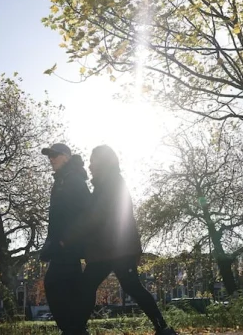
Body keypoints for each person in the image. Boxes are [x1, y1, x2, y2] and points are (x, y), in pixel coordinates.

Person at [64, 145, 176, 335]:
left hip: (117, 248)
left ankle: (162, 328)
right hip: (106, 249)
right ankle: (77, 330)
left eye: (93, 161)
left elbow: (97, 215)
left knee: (125, 286)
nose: (90, 165)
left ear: (102, 162)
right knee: (90, 286)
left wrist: (70, 236)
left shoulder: (112, 182)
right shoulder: (104, 183)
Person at [40, 143, 91, 334]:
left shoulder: (74, 180)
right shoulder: (62, 180)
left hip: (68, 247)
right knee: (70, 289)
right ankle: (75, 329)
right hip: (61, 247)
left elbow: (88, 213)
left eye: (55, 155)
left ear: (67, 157)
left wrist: (65, 240)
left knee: (53, 284)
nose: (51, 159)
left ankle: (74, 329)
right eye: (49, 156)